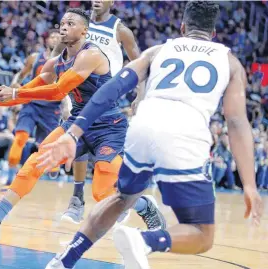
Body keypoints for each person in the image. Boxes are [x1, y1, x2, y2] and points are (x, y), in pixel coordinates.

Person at [38, 2, 264, 269]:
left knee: (122, 198)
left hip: (143, 125)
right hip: (185, 132)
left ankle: (64, 260)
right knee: (203, 234)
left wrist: (74, 132)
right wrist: (249, 184)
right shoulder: (230, 62)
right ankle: (144, 241)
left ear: (182, 27)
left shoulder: (158, 51)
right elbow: (237, 122)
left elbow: (112, 88)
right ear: (213, 33)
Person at [0, 8, 164, 243]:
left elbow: (58, 91)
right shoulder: (55, 62)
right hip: (76, 123)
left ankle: (143, 204)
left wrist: (15, 91)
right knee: (36, 161)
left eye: (71, 23)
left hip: (109, 126)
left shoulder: (92, 55)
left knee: (102, 192)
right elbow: (29, 90)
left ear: (85, 30)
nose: (64, 26)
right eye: (62, 23)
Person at [61, 0, 149, 224]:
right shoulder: (77, 23)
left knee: (106, 158)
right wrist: (62, 97)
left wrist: (140, 94)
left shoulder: (120, 31)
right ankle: (77, 199)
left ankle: (123, 198)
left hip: (106, 98)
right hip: (78, 91)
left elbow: (139, 62)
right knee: (74, 143)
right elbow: (60, 57)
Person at [5, 30, 62, 185]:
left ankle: (53, 167)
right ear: (47, 40)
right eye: (52, 36)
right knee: (20, 137)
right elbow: (20, 75)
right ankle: (10, 177)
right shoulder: (35, 58)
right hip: (31, 102)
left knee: (49, 145)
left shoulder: (67, 60)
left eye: (58, 37)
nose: (55, 39)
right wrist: (14, 84)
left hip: (51, 107)